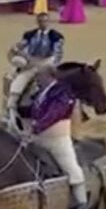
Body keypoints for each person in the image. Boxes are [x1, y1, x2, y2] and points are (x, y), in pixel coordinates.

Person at [23, 65, 88, 207]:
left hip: (57, 139)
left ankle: (82, 202)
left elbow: (55, 113)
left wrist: (36, 126)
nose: (37, 80)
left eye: (39, 76)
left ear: (48, 76)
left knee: (71, 168)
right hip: (38, 138)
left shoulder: (63, 92)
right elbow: (34, 110)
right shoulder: (43, 92)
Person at [6, 12, 65, 126]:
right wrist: (19, 53)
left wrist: (46, 65)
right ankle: (11, 108)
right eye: (41, 21)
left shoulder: (56, 37)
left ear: (49, 22)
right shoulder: (30, 34)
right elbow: (18, 47)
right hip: (31, 64)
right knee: (19, 82)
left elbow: (57, 55)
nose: (43, 23)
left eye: (45, 21)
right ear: (37, 22)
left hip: (47, 64)